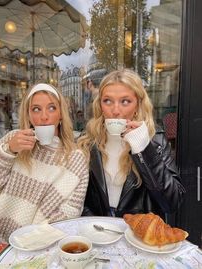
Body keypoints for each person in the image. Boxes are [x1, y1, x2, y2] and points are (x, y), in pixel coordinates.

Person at [0, 83, 89, 242]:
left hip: (35, 245)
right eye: (36, 109)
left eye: (51, 108)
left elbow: (68, 215)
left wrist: (25, 242)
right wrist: (8, 151)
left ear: (61, 114)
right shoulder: (13, 139)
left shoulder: (75, 159)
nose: (44, 116)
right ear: (29, 115)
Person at [78, 69, 185, 219]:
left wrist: (144, 149)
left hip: (138, 235)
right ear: (100, 104)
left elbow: (172, 203)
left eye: (125, 101)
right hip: (99, 232)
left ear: (138, 105)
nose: (115, 110)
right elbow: (80, 198)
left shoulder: (155, 140)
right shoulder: (88, 141)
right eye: (107, 101)